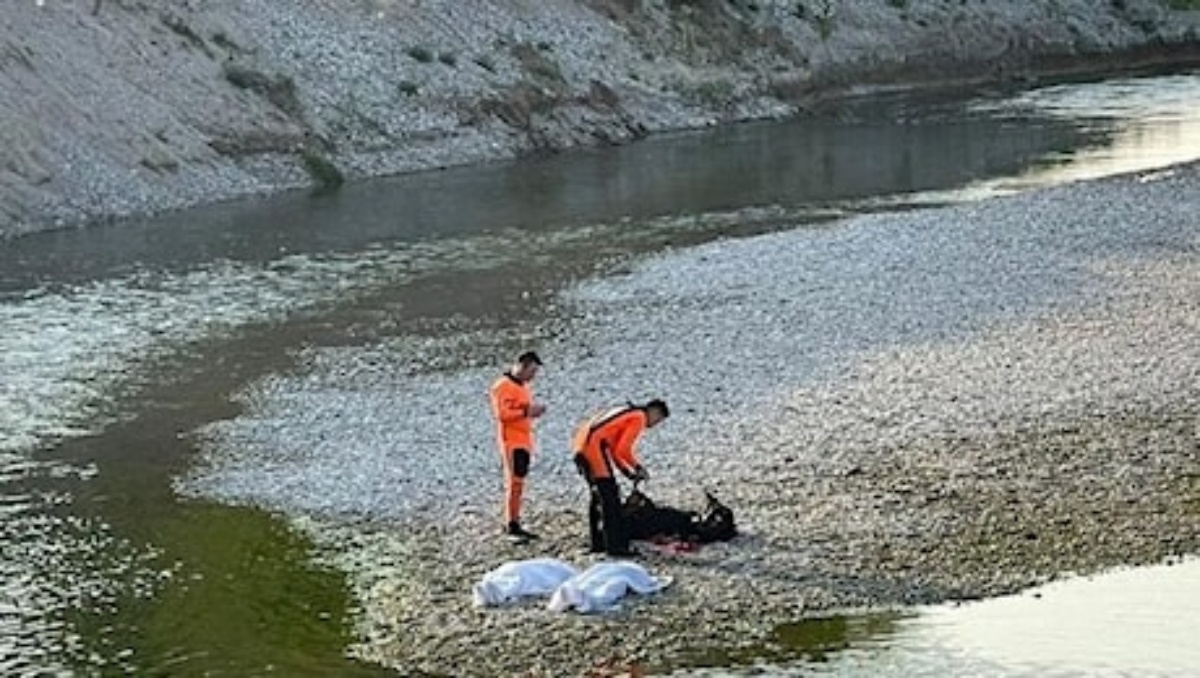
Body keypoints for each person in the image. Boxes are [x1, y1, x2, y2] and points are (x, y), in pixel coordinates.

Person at [571, 399, 670, 557]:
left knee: (598, 497)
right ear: (653, 411)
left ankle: (597, 543)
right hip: (593, 448)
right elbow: (623, 450)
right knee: (610, 500)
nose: (653, 424)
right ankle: (615, 547)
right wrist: (637, 467)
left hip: (581, 446)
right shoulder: (639, 417)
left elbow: (613, 449)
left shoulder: (624, 411)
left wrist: (626, 472)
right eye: (657, 420)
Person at [489, 351, 546, 540]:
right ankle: (511, 524)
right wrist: (527, 411)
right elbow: (502, 414)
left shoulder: (522, 386)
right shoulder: (503, 386)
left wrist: (530, 412)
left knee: (519, 481)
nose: (533, 376)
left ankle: (515, 520)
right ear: (521, 366)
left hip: (523, 439)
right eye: (532, 371)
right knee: (514, 481)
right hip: (511, 441)